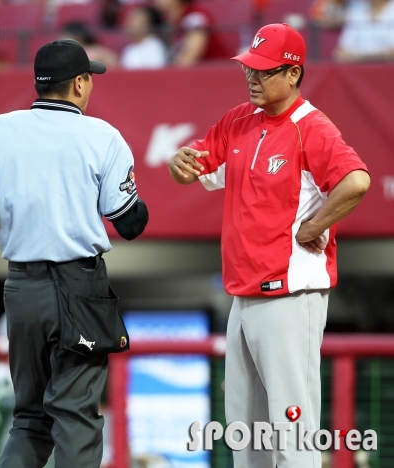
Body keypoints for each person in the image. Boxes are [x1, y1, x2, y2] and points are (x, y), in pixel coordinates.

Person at [168, 23, 370, 467]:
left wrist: (314, 224)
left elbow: (356, 181)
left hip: (289, 292)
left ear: (293, 74)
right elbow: (195, 168)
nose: (252, 78)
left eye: (264, 71)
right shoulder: (239, 119)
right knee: (247, 435)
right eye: (249, 69)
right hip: (242, 293)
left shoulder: (311, 127)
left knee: (293, 431)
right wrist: (178, 163)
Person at [0, 39, 148, 468]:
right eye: (88, 78)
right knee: (75, 419)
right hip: (79, 287)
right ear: (78, 84)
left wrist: (6, 224)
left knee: (30, 420)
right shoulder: (101, 135)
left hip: (21, 285)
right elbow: (130, 223)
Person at [153, 0, 222, 66]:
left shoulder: (195, 16)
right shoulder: (170, 20)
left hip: (217, 73)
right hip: (193, 75)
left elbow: (189, 58)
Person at [120, 5, 167, 70]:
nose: (129, 24)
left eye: (135, 20)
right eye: (130, 20)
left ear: (147, 25)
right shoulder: (128, 49)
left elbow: (156, 73)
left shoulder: (154, 46)